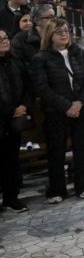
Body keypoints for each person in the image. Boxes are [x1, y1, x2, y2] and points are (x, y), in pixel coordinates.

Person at [31, 18, 84, 203]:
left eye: (67, 31)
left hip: (80, 108)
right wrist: (66, 106)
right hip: (56, 111)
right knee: (56, 150)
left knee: (82, 148)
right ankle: (57, 190)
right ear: (50, 35)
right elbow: (42, 88)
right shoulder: (41, 58)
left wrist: (79, 102)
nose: (64, 34)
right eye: (60, 32)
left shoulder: (78, 53)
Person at [1, 29, 31, 213]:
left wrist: (24, 105)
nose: (4, 41)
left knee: (11, 160)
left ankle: (11, 198)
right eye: (0, 40)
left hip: (14, 120)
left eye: (5, 38)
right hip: (3, 117)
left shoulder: (15, 61)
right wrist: (9, 111)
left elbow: (28, 85)